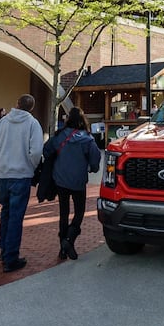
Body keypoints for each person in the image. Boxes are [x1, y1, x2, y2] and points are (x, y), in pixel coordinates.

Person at [0, 94, 43, 273]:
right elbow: (36, 151)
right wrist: (31, 166)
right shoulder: (32, 124)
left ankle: (4, 250)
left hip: (3, 174)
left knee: (5, 212)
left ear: (16, 104)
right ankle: (11, 257)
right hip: (21, 175)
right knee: (15, 216)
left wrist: (0, 162)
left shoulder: (3, 122)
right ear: (31, 107)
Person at [42, 107, 102, 261]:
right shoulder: (87, 139)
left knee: (64, 213)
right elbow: (95, 161)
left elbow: (47, 150)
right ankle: (69, 240)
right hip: (78, 180)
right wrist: (92, 168)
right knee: (79, 212)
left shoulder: (59, 136)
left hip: (60, 179)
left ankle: (63, 245)